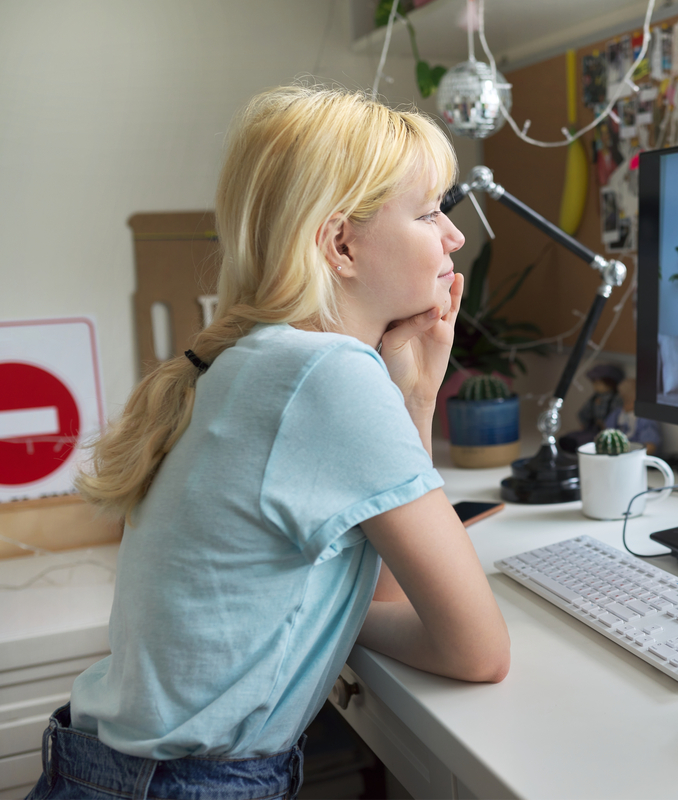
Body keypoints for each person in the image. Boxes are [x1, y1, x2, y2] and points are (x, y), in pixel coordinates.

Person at [26, 86, 510, 800]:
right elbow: (478, 650)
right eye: (430, 211)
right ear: (341, 245)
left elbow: (384, 589)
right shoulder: (326, 374)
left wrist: (414, 396)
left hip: (115, 774)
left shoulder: (259, 359)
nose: (455, 237)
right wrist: (352, 627)